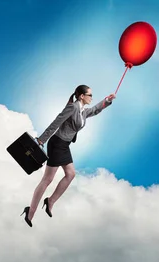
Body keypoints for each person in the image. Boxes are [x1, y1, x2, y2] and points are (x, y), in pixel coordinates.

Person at [21, 85, 116, 227]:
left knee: (70, 174)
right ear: (82, 96)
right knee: (47, 180)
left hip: (64, 145)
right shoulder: (72, 107)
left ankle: (50, 201)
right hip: (57, 144)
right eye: (90, 95)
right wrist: (41, 140)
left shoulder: (82, 110)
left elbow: (95, 110)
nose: (92, 97)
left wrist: (107, 100)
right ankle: (31, 211)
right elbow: (56, 123)